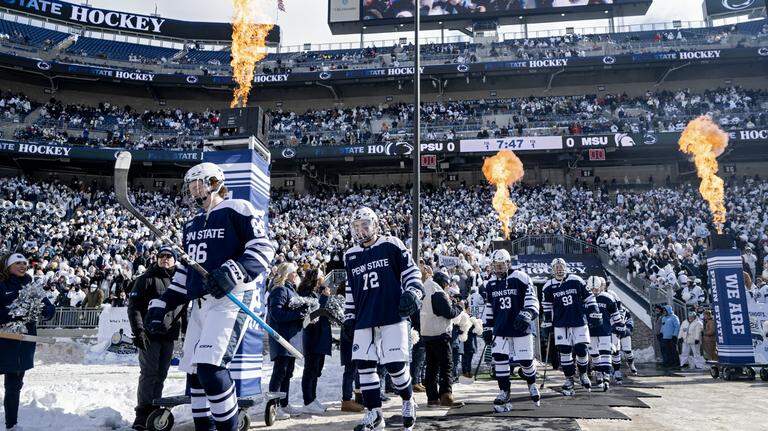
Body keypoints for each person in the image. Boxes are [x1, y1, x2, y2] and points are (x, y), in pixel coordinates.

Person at [143, 162, 275, 431]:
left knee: (210, 369)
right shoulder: (191, 224)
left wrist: (232, 272)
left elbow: (263, 248)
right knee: (194, 373)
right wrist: (162, 304)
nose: (193, 190)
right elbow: (186, 272)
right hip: (200, 304)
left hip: (231, 298)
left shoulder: (238, 208)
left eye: (198, 184)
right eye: (190, 186)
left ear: (214, 182)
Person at [343, 207, 423, 431]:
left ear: (376, 224)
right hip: (364, 316)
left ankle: (407, 400)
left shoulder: (391, 244)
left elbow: (411, 273)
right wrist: (349, 315)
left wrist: (413, 292)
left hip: (391, 313)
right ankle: (374, 414)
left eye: (365, 225)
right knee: (364, 368)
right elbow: (351, 288)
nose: (361, 230)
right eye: (357, 227)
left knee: (396, 366)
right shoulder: (349, 254)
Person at [127, 246, 184, 430]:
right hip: (149, 336)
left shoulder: (181, 281)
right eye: (162, 256)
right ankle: (142, 414)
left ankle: (155, 409)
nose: (165, 259)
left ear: (175, 260)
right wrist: (139, 331)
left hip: (169, 335)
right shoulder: (146, 279)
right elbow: (134, 307)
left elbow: (184, 309)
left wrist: (187, 332)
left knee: (161, 374)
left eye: (169, 256)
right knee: (148, 374)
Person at [0, 253, 55, 431]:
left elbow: (48, 307)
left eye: (24, 263)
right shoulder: (2, 285)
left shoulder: (32, 285)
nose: (23, 265)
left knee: (14, 385)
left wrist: (45, 311)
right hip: (2, 342)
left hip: (23, 344)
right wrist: (14, 313)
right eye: (18, 263)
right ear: (8, 266)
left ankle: (11, 424)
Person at [482, 249, 541, 412]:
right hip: (500, 329)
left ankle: (532, 383)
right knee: (500, 361)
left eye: (502, 265)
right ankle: (504, 391)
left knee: (526, 362)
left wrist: (527, 313)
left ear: (508, 263)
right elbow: (489, 307)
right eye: (496, 265)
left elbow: (532, 300)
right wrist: (487, 326)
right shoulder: (490, 284)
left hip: (519, 327)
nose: (499, 268)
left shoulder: (520, 278)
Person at [541, 258, 601, 396]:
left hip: (578, 320)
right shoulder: (548, 286)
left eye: (561, 266)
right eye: (556, 267)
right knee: (565, 351)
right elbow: (547, 306)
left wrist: (594, 310)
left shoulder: (576, 280)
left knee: (581, 348)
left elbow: (589, 297)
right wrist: (548, 320)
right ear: (552, 269)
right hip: (561, 323)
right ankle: (568, 379)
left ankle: (583, 374)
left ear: (565, 267)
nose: (559, 269)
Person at [267, 262, 307, 420]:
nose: (296, 274)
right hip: (283, 338)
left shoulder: (290, 290)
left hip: (291, 338)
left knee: (287, 373)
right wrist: (299, 315)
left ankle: (284, 403)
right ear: (286, 274)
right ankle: (273, 407)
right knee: (279, 372)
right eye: (294, 272)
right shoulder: (280, 289)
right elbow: (276, 314)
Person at [420, 270, 463, 407]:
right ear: (444, 283)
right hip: (439, 333)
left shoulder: (425, 287)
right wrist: (459, 307)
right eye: (447, 285)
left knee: (431, 367)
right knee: (446, 365)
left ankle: (432, 398)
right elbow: (448, 313)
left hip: (427, 333)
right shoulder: (437, 291)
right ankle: (446, 395)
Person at [299, 269, 332, 415]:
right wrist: (324, 298)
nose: (323, 279)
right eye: (321, 276)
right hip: (312, 336)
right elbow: (314, 313)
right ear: (315, 278)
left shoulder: (316, 292)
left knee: (316, 370)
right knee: (310, 370)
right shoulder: (306, 292)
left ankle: (313, 398)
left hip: (321, 335)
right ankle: (308, 400)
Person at [586, 276, 622, 392]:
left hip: (605, 330)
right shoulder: (585, 298)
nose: (594, 291)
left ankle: (606, 375)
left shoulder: (608, 298)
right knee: (594, 354)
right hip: (590, 331)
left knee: (606, 353)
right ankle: (599, 375)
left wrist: (619, 324)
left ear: (601, 287)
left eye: (596, 288)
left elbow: (616, 314)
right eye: (592, 289)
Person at [339, 282, 364, 413]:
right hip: (351, 344)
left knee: (357, 371)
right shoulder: (349, 308)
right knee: (350, 371)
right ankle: (346, 400)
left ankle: (358, 397)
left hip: (353, 342)